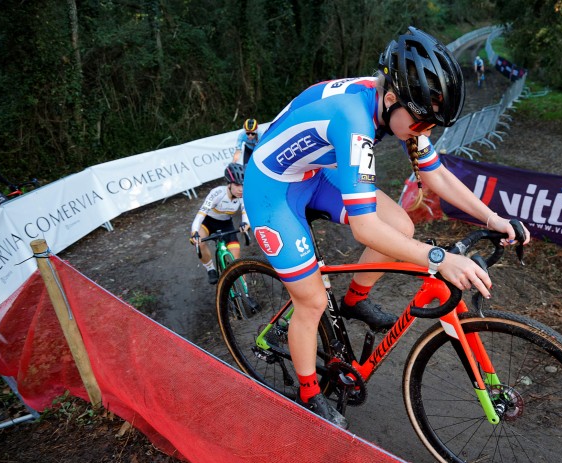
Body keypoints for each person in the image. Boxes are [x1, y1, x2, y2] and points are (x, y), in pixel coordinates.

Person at [243, 27, 530, 428]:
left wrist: (492, 218)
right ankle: (310, 395)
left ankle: (356, 300)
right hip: (271, 188)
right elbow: (364, 230)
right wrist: (440, 259)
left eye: (433, 125)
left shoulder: (398, 106)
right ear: (392, 99)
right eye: (423, 124)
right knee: (311, 301)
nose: (425, 133)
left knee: (400, 225)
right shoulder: (354, 118)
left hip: (314, 172)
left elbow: (438, 178)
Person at [190, 163, 251, 285]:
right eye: (237, 185)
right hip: (208, 223)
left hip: (226, 224)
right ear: (229, 184)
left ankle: (246, 294)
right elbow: (201, 214)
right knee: (199, 243)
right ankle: (210, 269)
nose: (241, 189)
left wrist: (245, 223)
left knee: (236, 262)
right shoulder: (217, 193)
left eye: (243, 185)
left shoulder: (242, 195)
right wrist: (194, 232)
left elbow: (245, 213)